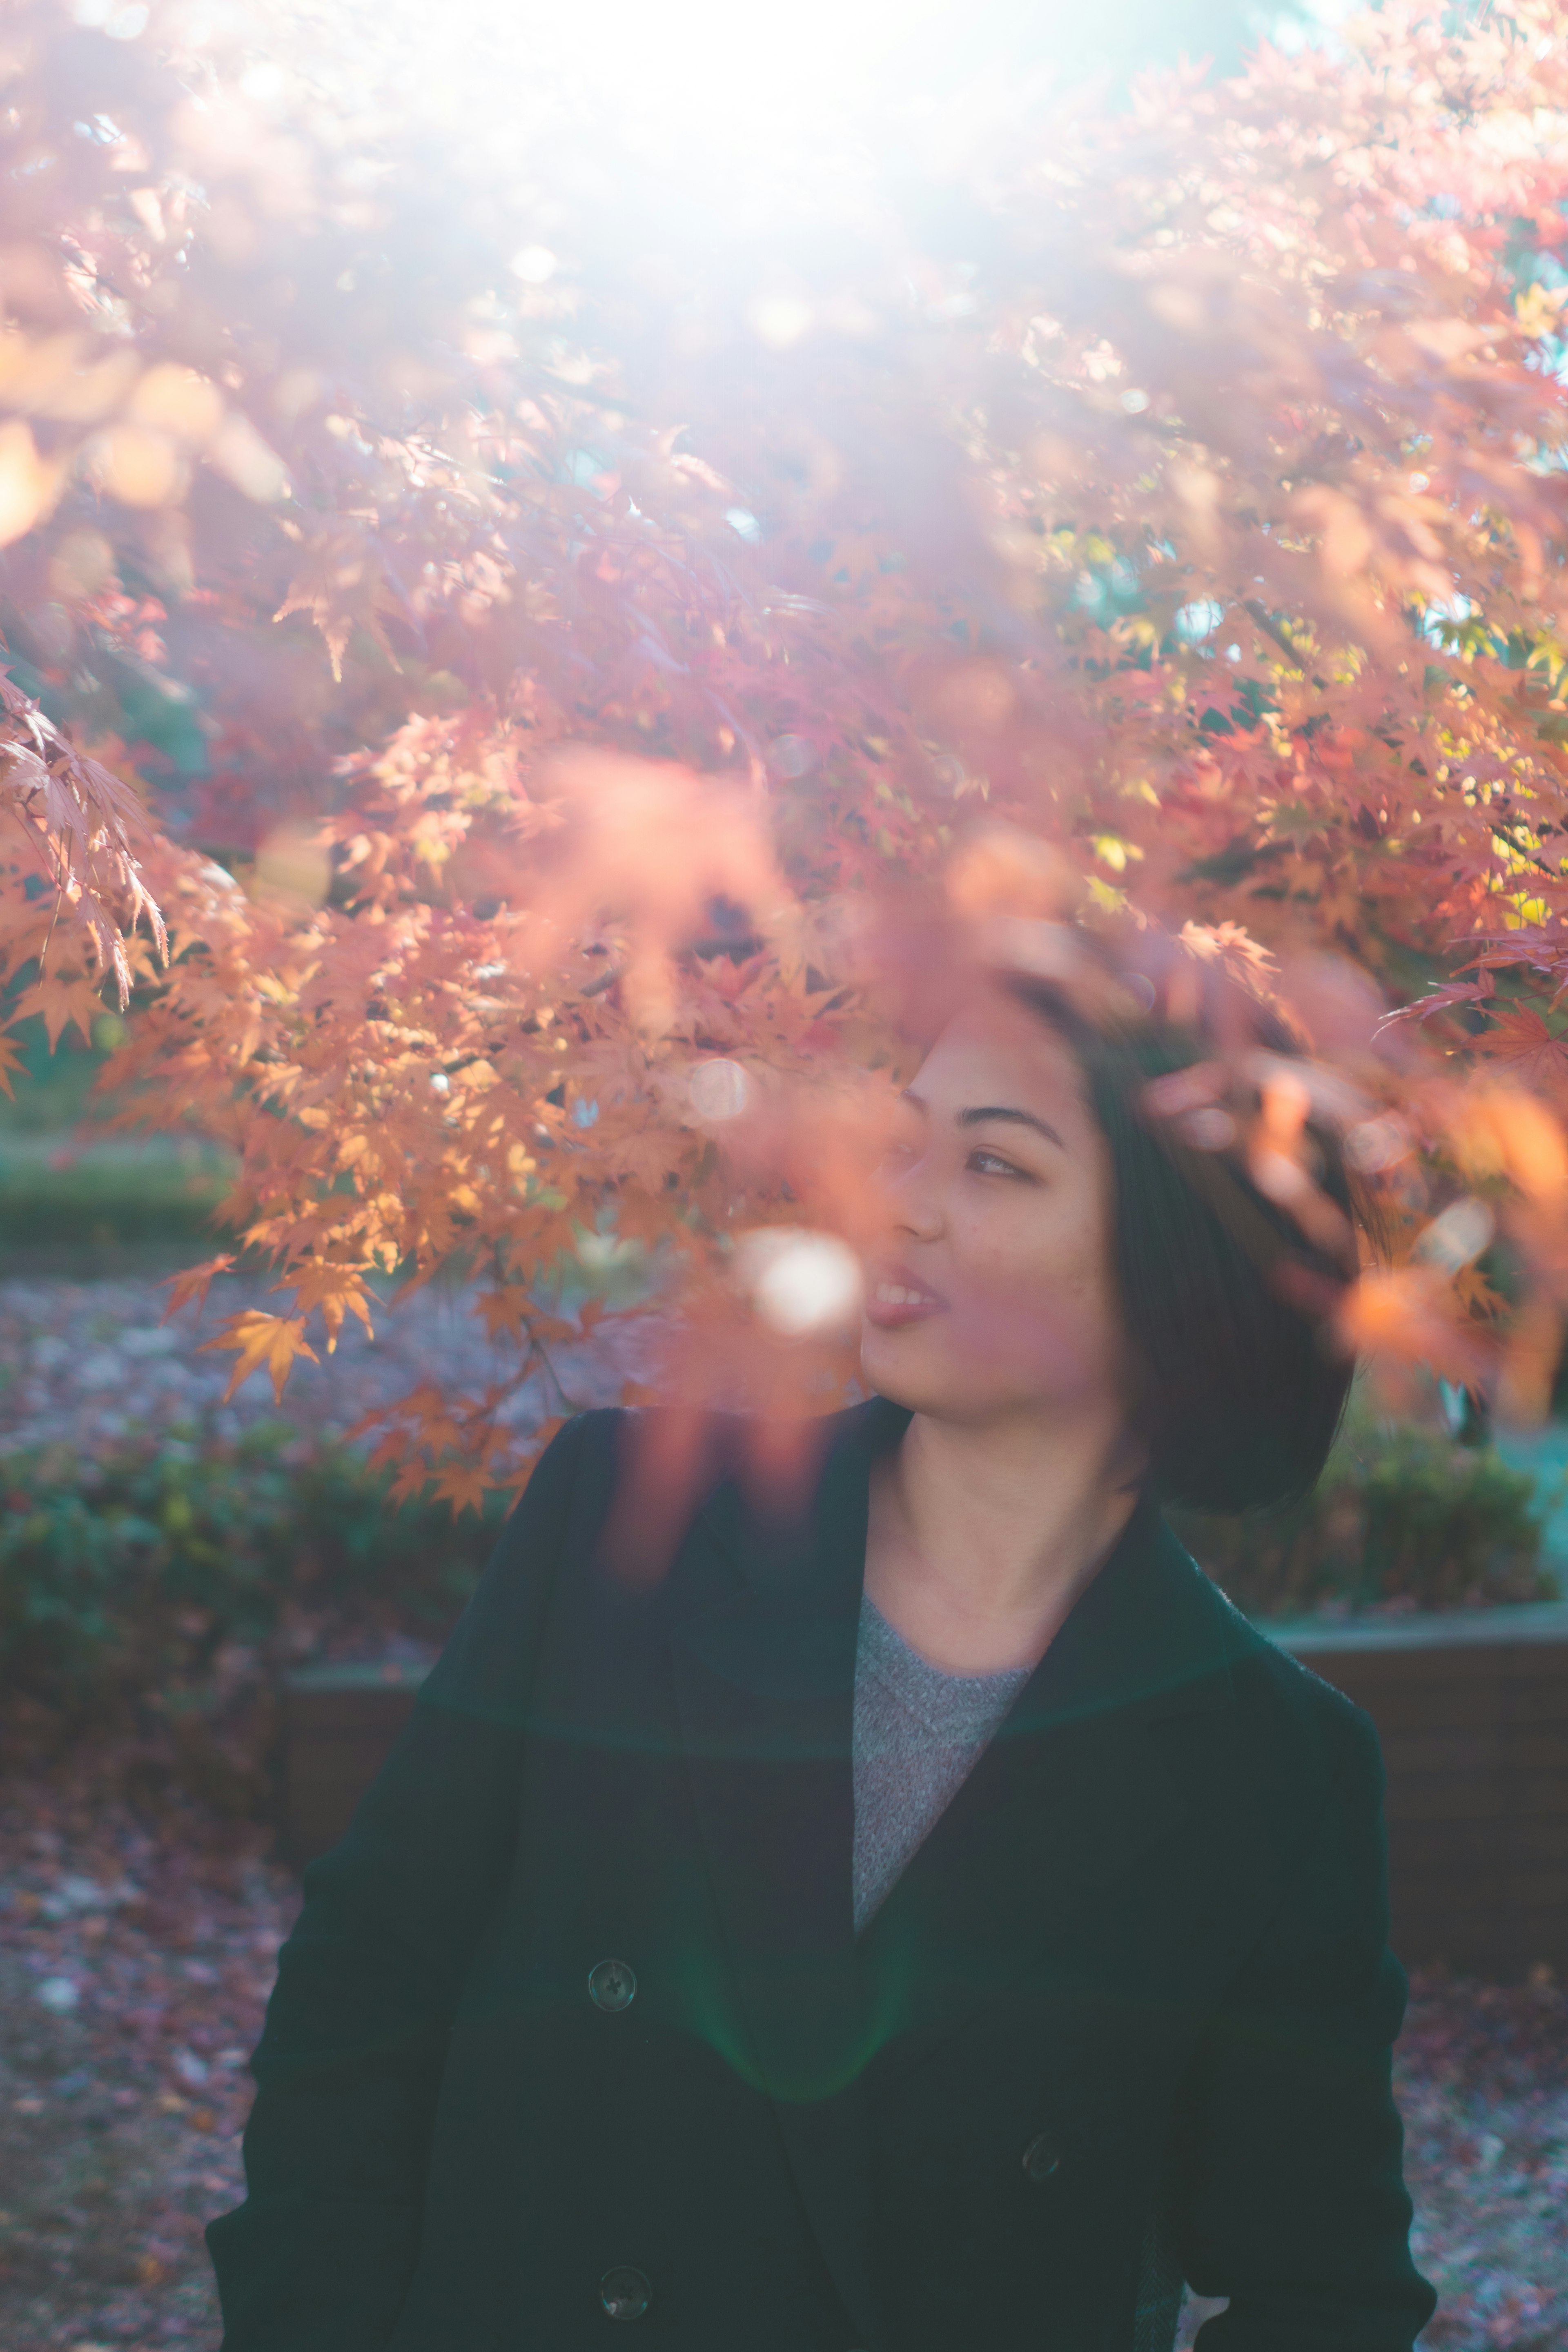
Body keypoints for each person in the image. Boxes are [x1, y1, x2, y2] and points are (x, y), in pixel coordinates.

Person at [207, 929, 1438, 2352]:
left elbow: (1326, 2291)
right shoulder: (634, 1518)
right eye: (905, 1144)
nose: (895, 1206)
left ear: (1180, 1271)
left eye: (994, 1164)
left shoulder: (1268, 1774)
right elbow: (370, 1985)